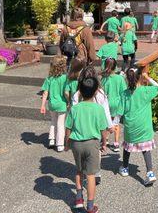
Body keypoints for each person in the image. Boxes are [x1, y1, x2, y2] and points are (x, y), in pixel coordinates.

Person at [65, 69, 109, 213]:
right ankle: (90, 206)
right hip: (92, 143)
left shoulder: (74, 109)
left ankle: (78, 200)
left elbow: (68, 128)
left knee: (79, 170)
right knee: (90, 175)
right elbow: (103, 129)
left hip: (76, 143)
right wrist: (104, 143)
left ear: (80, 92)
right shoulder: (98, 109)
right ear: (96, 92)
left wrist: (67, 144)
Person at [118, 69, 158, 186]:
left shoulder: (124, 93)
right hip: (144, 127)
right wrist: (148, 78)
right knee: (146, 149)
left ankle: (125, 168)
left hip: (131, 127)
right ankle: (150, 172)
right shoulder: (145, 91)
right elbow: (157, 87)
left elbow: (120, 111)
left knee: (127, 147)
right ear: (139, 78)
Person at [40, 56, 68, 152]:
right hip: (62, 104)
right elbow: (66, 92)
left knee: (53, 121)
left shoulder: (49, 78)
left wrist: (43, 105)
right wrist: (69, 101)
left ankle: (51, 140)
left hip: (51, 103)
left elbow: (45, 92)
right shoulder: (65, 78)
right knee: (61, 124)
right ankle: (60, 144)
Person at [101, 58, 127, 152]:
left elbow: (102, 92)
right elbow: (123, 92)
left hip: (107, 103)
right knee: (116, 124)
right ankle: (116, 143)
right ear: (116, 67)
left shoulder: (104, 79)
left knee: (107, 122)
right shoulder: (120, 78)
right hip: (117, 103)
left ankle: (105, 139)